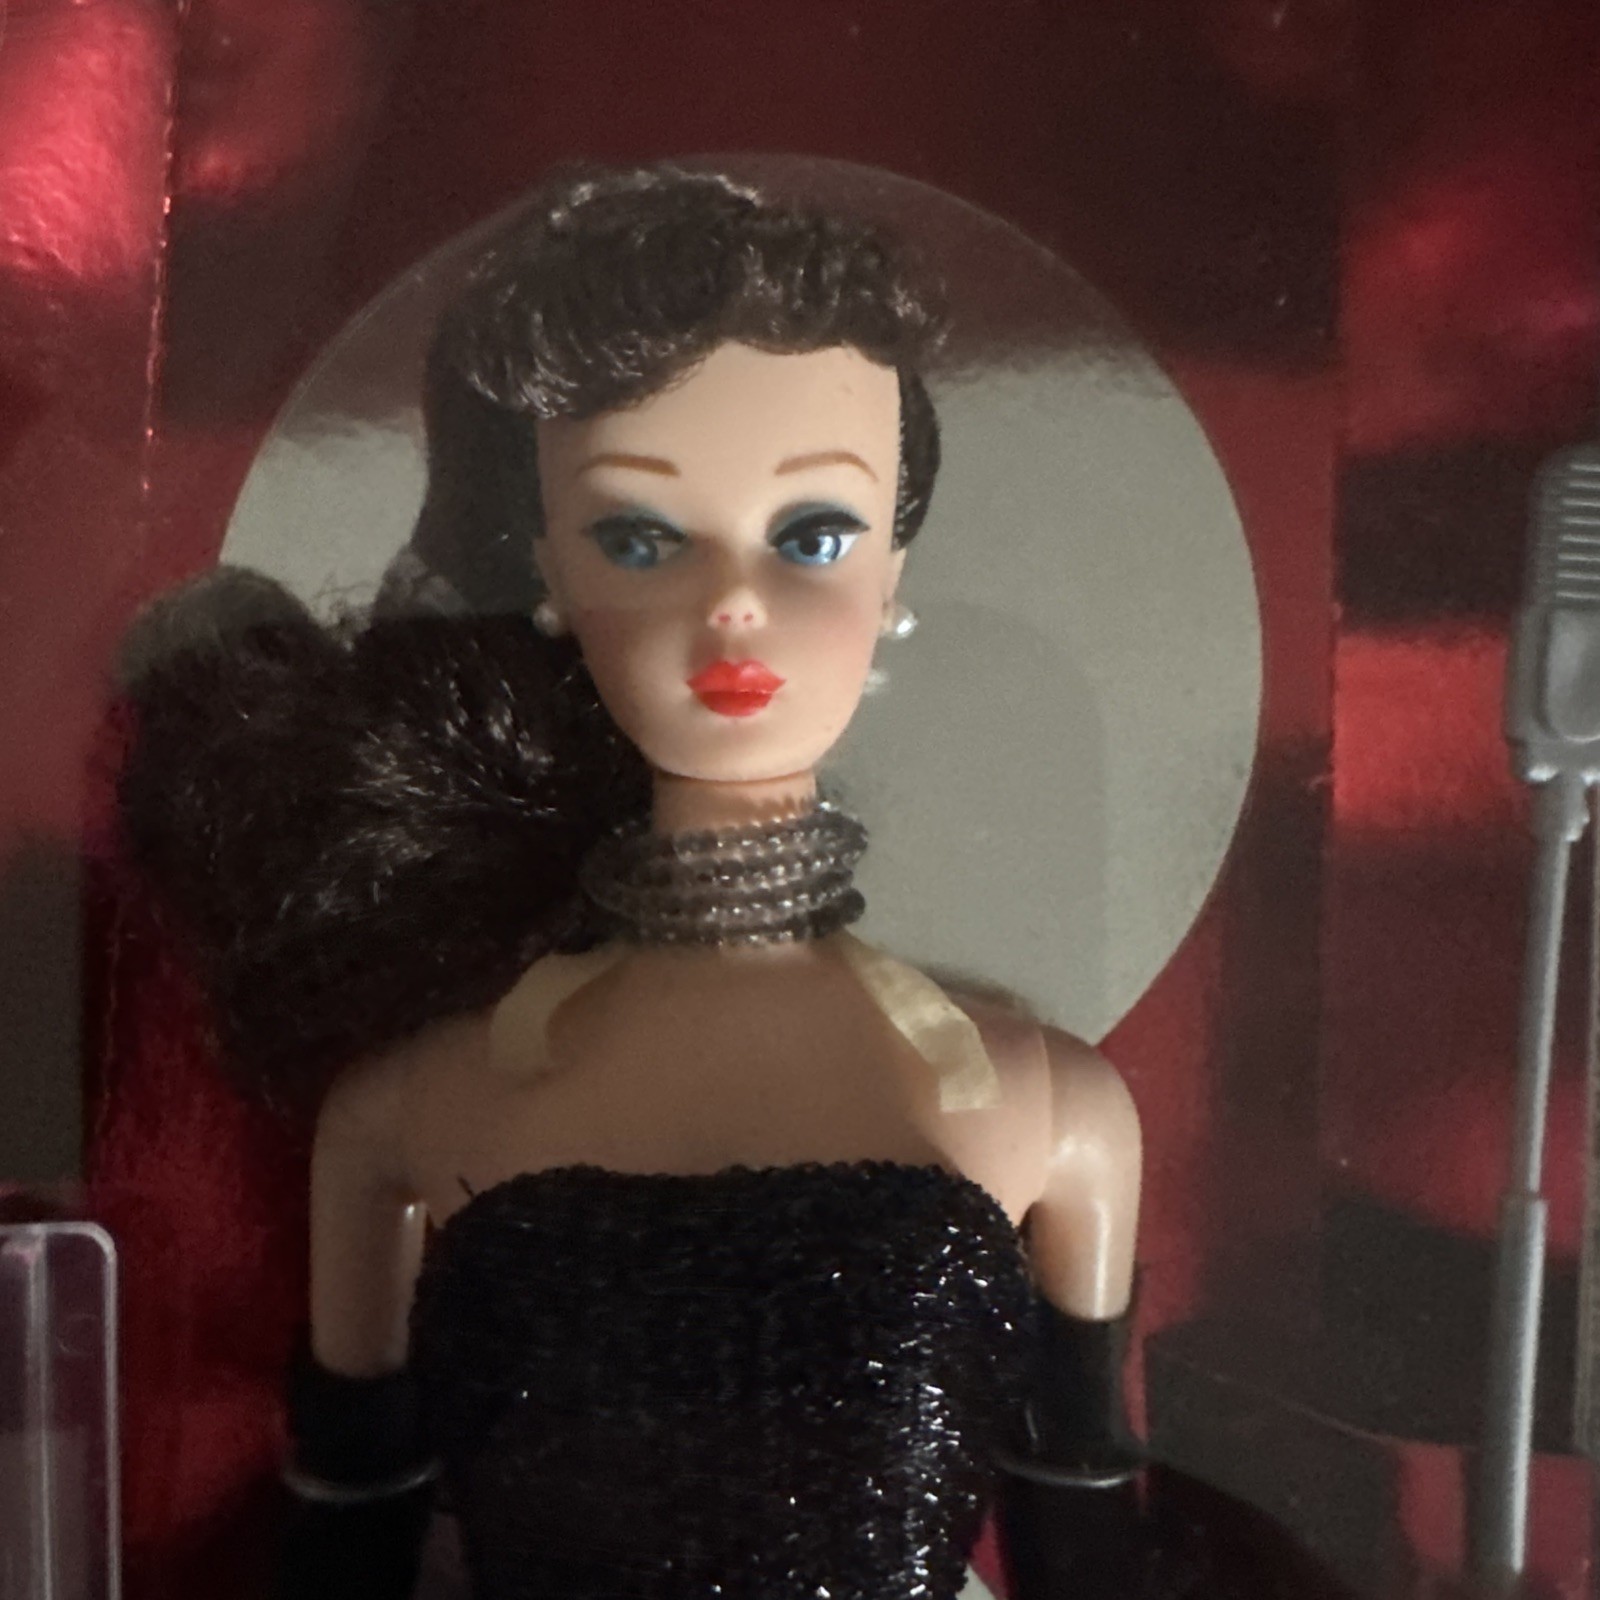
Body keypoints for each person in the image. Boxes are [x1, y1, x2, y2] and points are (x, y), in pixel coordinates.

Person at [119, 165, 1142, 1600]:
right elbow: (348, 1535)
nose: (734, 605)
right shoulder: (407, 1104)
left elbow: (1082, 1539)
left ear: (895, 568)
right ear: (548, 566)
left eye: (813, 534)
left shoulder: (1057, 1109)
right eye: (641, 538)